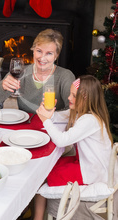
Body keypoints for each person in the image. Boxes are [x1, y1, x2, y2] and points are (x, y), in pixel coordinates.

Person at [33, 75, 113, 220]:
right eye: (70, 93)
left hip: (91, 172)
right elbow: (59, 117)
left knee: (42, 175)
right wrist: (48, 113)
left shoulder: (89, 120)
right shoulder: (82, 113)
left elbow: (62, 141)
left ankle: (37, 218)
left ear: (86, 99)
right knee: (46, 166)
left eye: (74, 95)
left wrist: (45, 120)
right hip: (85, 164)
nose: (69, 98)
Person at [0, 29, 75, 114]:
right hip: (25, 125)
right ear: (33, 50)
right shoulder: (21, 72)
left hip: (52, 126)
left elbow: (73, 109)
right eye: (39, 51)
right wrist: (3, 86)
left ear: (56, 55)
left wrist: (51, 115)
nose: (42, 58)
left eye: (49, 53)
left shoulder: (65, 76)